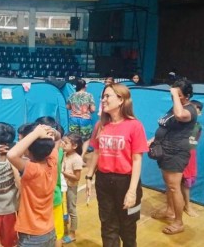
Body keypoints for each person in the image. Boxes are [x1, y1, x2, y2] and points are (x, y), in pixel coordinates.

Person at [86, 83, 148, 247]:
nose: (103, 100)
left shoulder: (135, 125)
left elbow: (137, 160)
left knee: (128, 226)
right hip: (104, 180)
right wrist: (89, 176)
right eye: (103, 97)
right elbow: (97, 153)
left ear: (121, 99)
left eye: (108, 96)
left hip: (126, 181)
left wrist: (132, 191)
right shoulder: (100, 125)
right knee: (107, 224)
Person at [150, 79, 197, 235]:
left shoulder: (190, 110)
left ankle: (179, 222)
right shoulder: (174, 107)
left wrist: (175, 94)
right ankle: (170, 211)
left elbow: (179, 115)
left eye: (178, 94)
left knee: (174, 187)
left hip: (176, 153)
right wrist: (152, 141)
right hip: (165, 150)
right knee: (169, 185)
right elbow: (165, 126)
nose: (173, 96)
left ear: (187, 96)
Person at [7, 123, 59, 246]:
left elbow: (11, 154)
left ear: (29, 148)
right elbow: (58, 137)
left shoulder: (32, 170)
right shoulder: (52, 160)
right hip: (49, 231)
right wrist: (48, 131)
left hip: (32, 237)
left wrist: (36, 133)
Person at [35, 116, 64, 247]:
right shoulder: (58, 152)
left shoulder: (35, 156)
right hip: (56, 197)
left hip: (40, 202)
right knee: (57, 232)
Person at [61, 133, 83, 244]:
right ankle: (63, 229)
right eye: (63, 142)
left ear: (74, 146)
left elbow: (77, 177)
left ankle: (72, 233)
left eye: (66, 143)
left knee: (71, 210)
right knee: (63, 209)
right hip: (63, 186)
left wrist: (63, 172)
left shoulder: (77, 159)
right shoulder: (64, 154)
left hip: (71, 187)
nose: (63, 144)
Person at [182, 100, 202, 217]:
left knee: (185, 183)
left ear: (199, 113)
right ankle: (170, 207)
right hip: (176, 156)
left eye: (196, 110)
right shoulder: (178, 123)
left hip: (188, 157)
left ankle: (187, 206)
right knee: (173, 183)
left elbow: (192, 143)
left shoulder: (197, 127)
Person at [66, 79, 96, 158]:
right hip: (85, 119)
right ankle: (81, 157)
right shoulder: (89, 95)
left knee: (74, 138)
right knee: (86, 139)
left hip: (73, 119)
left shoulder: (72, 95)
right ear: (85, 86)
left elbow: (68, 107)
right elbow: (93, 109)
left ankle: (73, 156)